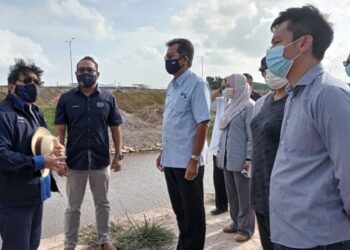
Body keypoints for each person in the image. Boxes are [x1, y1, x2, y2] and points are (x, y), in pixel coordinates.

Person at [267, 5, 350, 249]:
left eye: (276, 42)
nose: (271, 51)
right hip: (291, 234)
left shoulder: (329, 94)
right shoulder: (296, 94)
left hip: (320, 238)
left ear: (303, 44)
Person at [55, 56, 123, 250]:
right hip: (75, 162)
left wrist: (119, 156)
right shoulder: (66, 99)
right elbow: (60, 131)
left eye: (90, 70)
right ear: (76, 73)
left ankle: (104, 239)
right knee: (73, 207)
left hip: (100, 161)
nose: (86, 73)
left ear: (97, 73)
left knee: (102, 203)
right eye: (82, 70)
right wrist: (60, 159)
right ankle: (70, 244)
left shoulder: (108, 98)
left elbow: (116, 128)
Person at [0, 59, 66, 250]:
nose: (33, 85)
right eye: (27, 80)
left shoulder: (36, 112)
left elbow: (43, 143)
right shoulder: (4, 114)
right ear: (12, 87)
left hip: (36, 193)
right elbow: (2, 154)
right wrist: (40, 161)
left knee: (32, 245)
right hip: (14, 198)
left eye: (37, 82)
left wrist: (55, 152)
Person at [156, 38, 210, 250]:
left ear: (185, 60)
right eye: (167, 57)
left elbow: (202, 123)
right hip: (172, 160)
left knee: (193, 215)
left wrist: (194, 160)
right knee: (181, 212)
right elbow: (174, 124)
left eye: (171, 57)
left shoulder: (197, 84)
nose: (167, 61)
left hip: (188, 162)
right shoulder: (172, 86)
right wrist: (164, 152)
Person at [250, 61, 288, 250]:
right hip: (260, 189)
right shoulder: (263, 103)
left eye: (271, 68)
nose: (267, 74)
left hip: (284, 196)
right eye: (264, 70)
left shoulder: (297, 100)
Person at [217, 73, 255, 242]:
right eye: (224, 86)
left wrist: (248, 159)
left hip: (241, 160)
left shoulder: (248, 106)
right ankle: (235, 222)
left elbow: (251, 136)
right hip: (227, 158)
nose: (225, 89)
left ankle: (246, 229)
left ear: (238, 86)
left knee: (244, 197)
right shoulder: (230, 105)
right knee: (232, 194)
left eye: (228, 86)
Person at [208, 82, 228, 216]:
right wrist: (221, 90)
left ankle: (239, 208)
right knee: (218, 178)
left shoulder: (245, 103)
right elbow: (208, 99)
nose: (226, 88)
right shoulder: (221, 101)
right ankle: (221, 205)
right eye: (224, 85)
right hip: (218, 148)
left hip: (234, 148)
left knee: (236, 180)